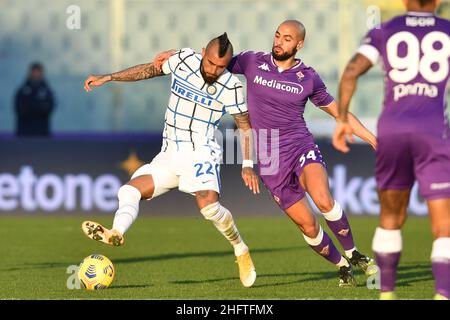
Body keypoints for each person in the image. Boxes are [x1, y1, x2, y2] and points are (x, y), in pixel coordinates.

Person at [155, 21, 377, 287]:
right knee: (307, 226)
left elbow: (339, 112)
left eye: (287, 38)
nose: (279, 42)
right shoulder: (252, 62)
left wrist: (373, 139)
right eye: (277, 36)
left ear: (299, 44)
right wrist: (177, 53)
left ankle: (354, 254)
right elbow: (214, 58)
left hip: (300, 145)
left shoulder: (307, 77)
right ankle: (341, 266)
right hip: (269, 155)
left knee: (323, 199)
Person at [81, 33, 259, 288]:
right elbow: (148, 70)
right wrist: (108, 77)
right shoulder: (183, 60)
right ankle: (116, 232)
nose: (215, 70)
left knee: (208, 208)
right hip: (169, 153)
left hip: (201, 152)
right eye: (210, 63)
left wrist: (248, 164)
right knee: (129, 191)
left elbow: (244, 125)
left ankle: (240, 248)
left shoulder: (231, 86)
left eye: (221, 66)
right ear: (201, 52)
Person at [334, 0, 450, 299]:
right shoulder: (447, 31)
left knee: (390, 217)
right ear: (437, 2)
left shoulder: (385, 30)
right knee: (444, 224)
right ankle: (443, 293)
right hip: (433, 131)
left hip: (393, 131)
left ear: (405, 2)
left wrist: (344, 119)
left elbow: (350, 72)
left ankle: (387, 293)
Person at [14, 62, 55, 136]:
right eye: (34, 72)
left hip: (42, 132)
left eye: (38, 72)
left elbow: (49, 108)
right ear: (30, 73)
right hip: (24, 132)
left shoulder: (47, 91)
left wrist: (32, 107)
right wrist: (38, 107)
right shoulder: (22, 91)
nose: (36, 74)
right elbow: (19, 108)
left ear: (42, 73)